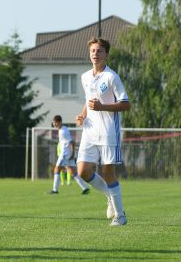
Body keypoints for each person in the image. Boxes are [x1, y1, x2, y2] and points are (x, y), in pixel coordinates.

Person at [75, 37, 130, 226]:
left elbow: (126, 104)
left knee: (108, 173)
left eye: (99, 51)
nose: (95, 54)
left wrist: (101, 107)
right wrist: (83, 114)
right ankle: (109, 196)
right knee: (82, 171)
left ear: (106, 54)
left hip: (108, 132)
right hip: (90, 131)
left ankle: (120, 216)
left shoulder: (111, 77)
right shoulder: (85, 77)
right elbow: (89, 100)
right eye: (92, 51)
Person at [49, 115, 89, 195]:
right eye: (53, 123)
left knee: (57, 170)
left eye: (55, 123)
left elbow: (72, 142)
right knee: (73, 172)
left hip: (65, 154)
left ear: (60, 122)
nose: (54, 124)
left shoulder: (63, 131)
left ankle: (55, 190)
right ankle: (85, 188)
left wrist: (73, 153)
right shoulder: (62, 130)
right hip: (67, 154)